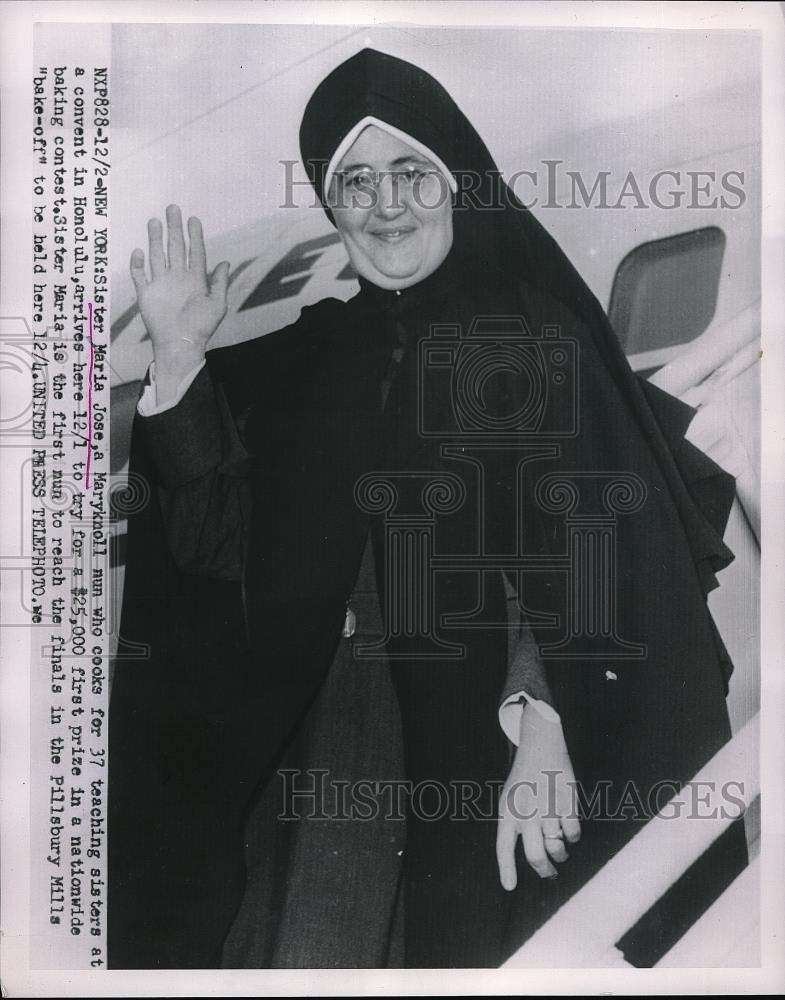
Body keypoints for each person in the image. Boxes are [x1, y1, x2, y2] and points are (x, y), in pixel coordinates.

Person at [108, 48, 746, 970]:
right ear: (335, 209)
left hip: (487, 738)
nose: (386, 204)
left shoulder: (533, 338)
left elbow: (604, 540)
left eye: (410, 172)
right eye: (355, 182)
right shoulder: (312, 354)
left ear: (456, 181)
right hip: (334, 749)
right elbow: (218, 549)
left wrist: (545, 721)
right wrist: (174, 362)